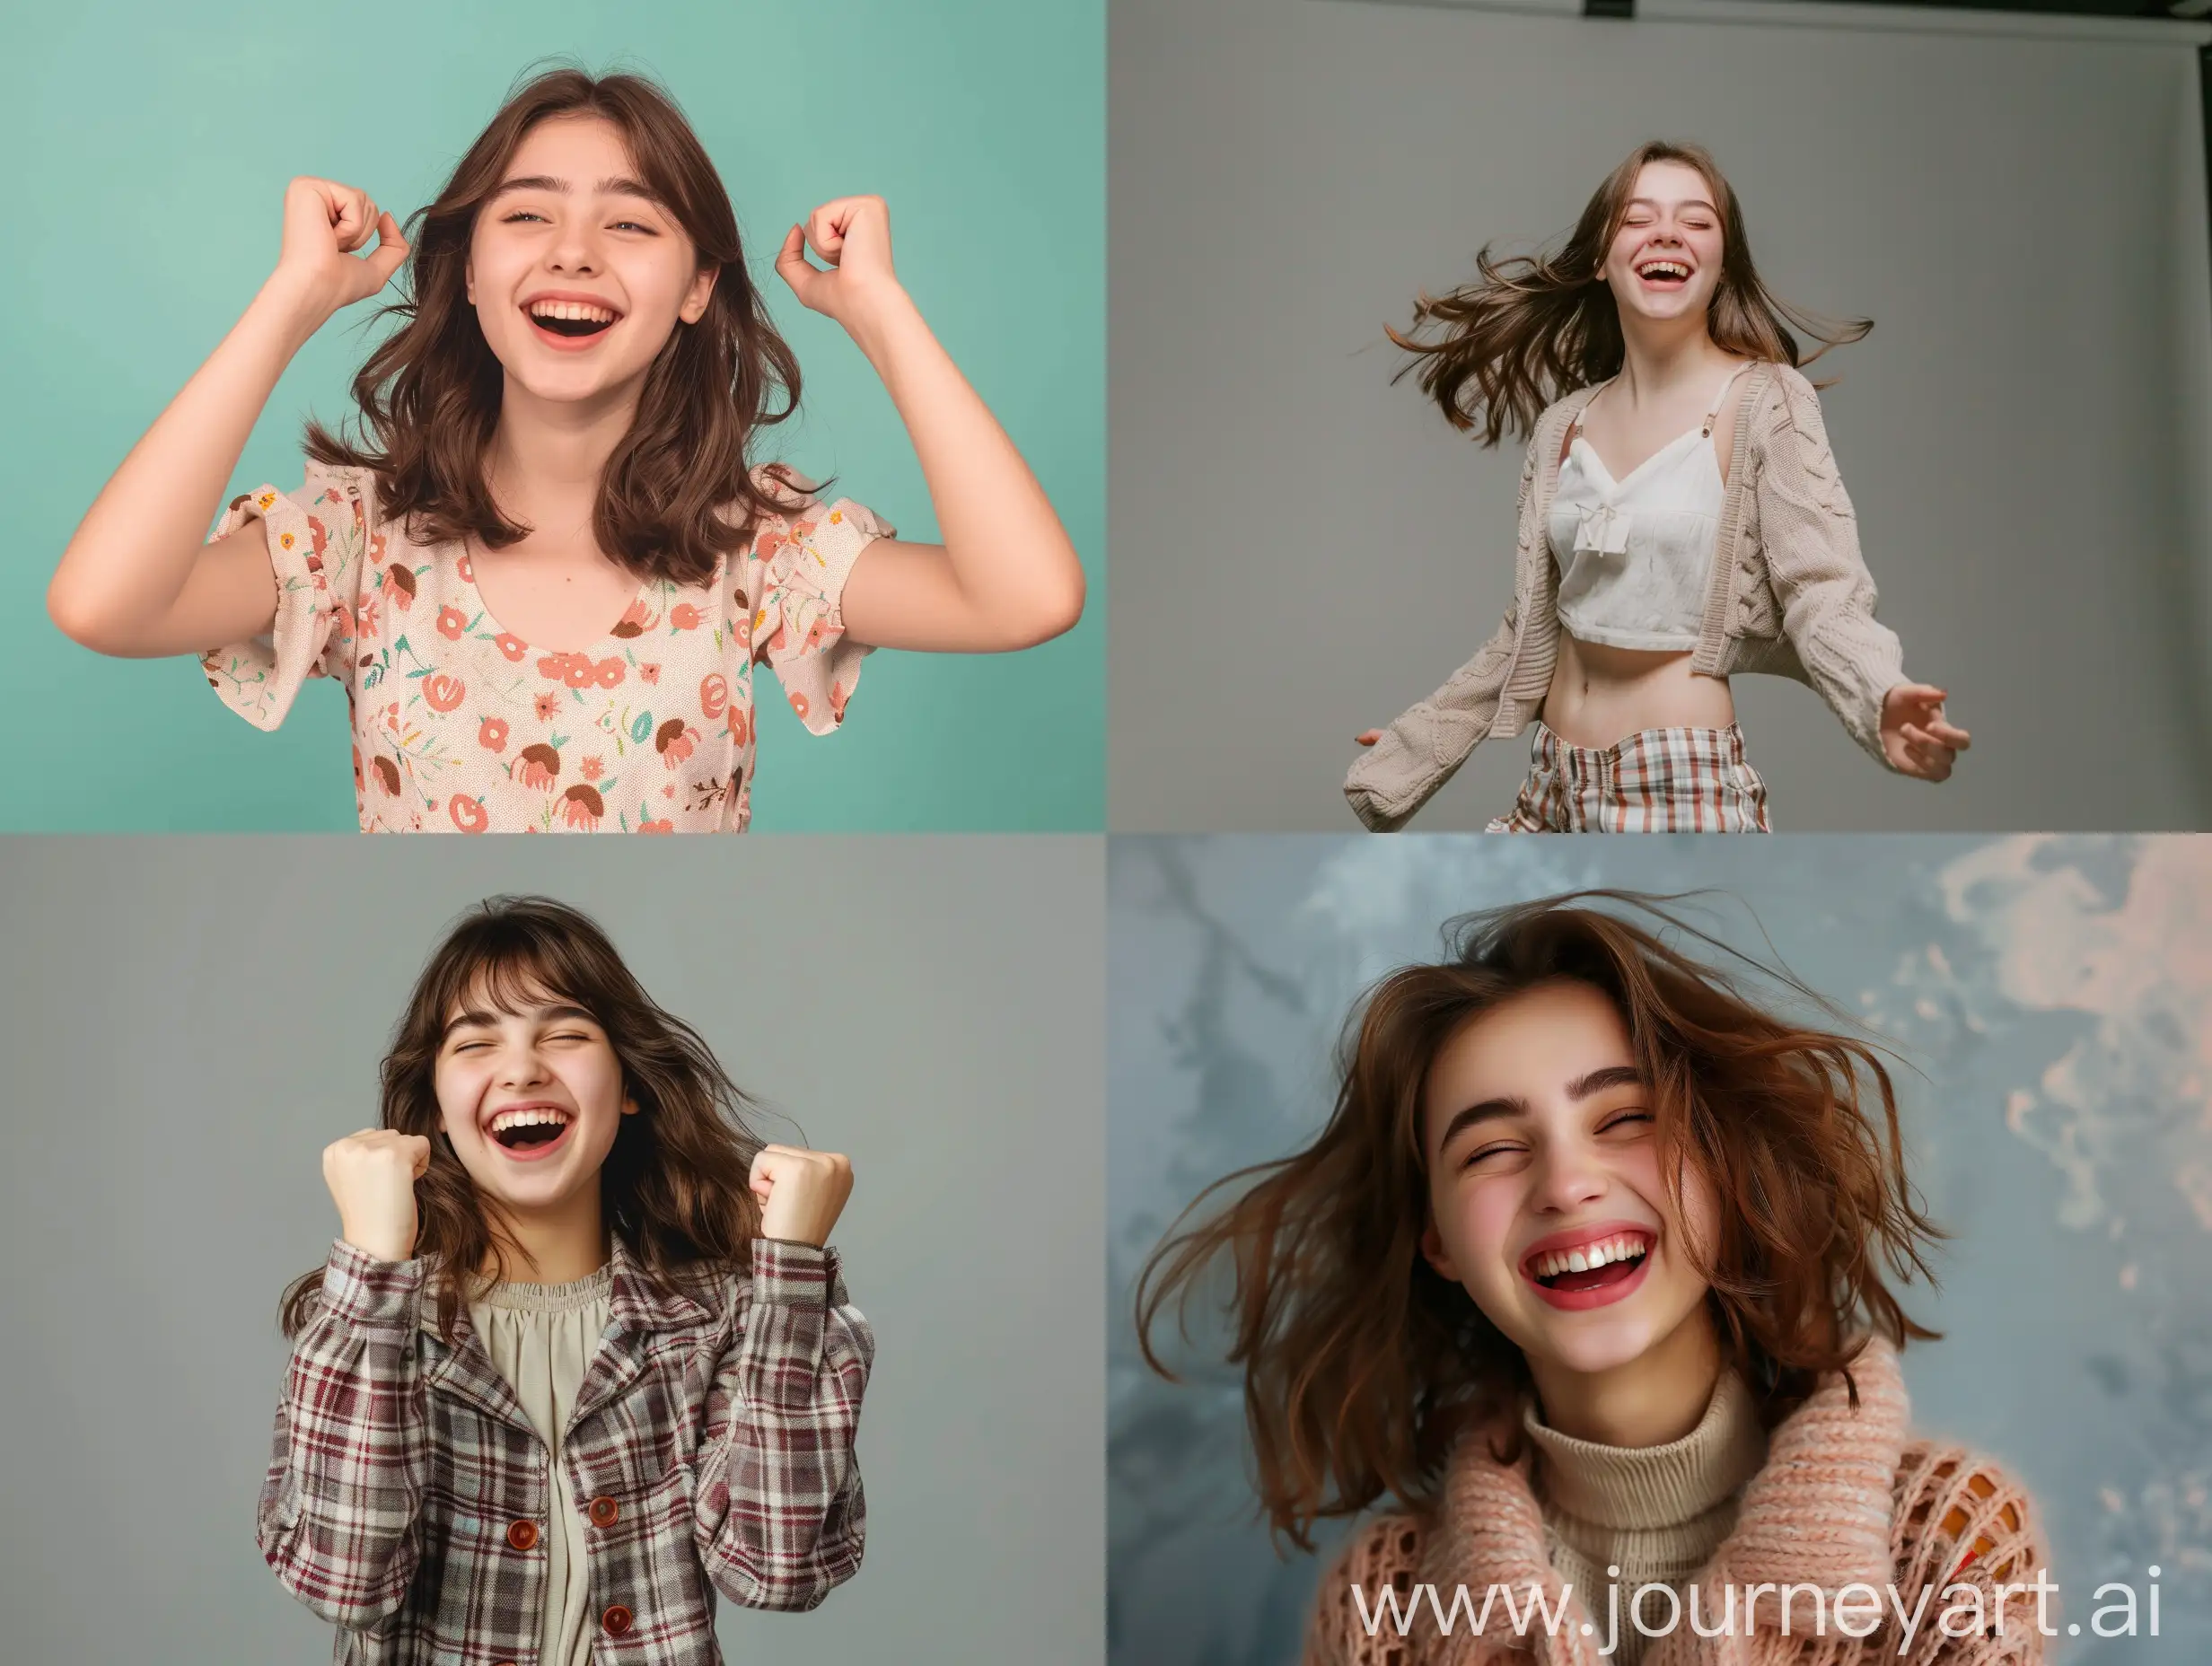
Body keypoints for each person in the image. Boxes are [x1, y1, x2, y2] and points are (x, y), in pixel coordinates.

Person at [49, 68, 1084, 832]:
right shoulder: (354, 538)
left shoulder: (758, 550)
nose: (573, 252)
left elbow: (1026, 598)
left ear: (695, 289)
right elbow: (104, 604)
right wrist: (291, 301)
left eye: (630, 224)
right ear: (463, 268)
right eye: (529, 212)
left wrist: (882, 313)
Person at [1138, 896, 2045, 1663]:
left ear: (1721, 1164)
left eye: (1624, 1118)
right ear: (1438, 1239)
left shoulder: (1945, 1537)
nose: (1567, 1183)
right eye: (1492, 1148)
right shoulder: (1385, 1596)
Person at [259, 896, 870, 1662]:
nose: (521, 1069)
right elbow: (342, 1581)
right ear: (438, 1109)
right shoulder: (368, 1322)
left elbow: (775, 1568)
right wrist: (375, 1269)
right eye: (476, 1045)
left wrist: (791, 1281)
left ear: (630, 1083)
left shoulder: (720, 1314)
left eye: (567, 1033)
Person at [1345, 143, 1968, 833]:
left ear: (1722, 263)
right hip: (1552, 780)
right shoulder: (1563, 428)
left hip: (1676, 782)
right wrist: (1415, 745)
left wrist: (1878, 694)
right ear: (1599, 258)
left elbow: (1823, 592)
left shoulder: (1766, 402)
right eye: (1638, 218)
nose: (1667, 233)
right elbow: (1527, 632)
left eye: (1696, 221)